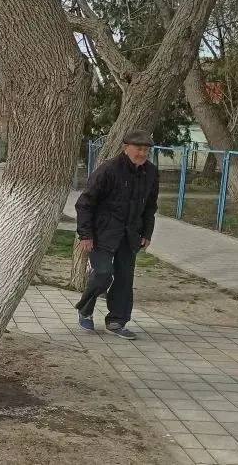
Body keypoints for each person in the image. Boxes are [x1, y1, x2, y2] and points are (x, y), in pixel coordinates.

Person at [74, 129, 159, 340]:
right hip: (102, 233)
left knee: (124, 278)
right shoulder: (109, 170)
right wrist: (85, 235)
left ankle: (117, 321)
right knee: (103, 273)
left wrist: (147, 233)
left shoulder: (151, 172)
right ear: (126, 148)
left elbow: (150, 206)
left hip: (130, 234)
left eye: (146, 150)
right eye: (138, 149)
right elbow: (85, 203)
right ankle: (85, 308)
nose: (142, 153)